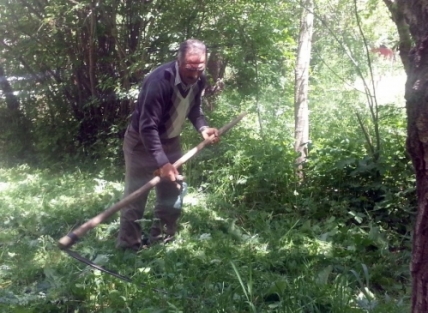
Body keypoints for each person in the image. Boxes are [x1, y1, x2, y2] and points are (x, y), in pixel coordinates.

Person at [117, 39, 219, 251]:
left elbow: (194, 109)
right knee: (136, 197)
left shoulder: (200, 80)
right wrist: (163, 162)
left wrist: (203, 128)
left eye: (200, 69)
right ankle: (128, 248)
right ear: (178, 61)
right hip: (141, 144)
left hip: (171, 141)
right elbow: (147, 128)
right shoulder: (158, 82)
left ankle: (161, 240)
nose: (194, 76)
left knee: (172, 192)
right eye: (190, 70)